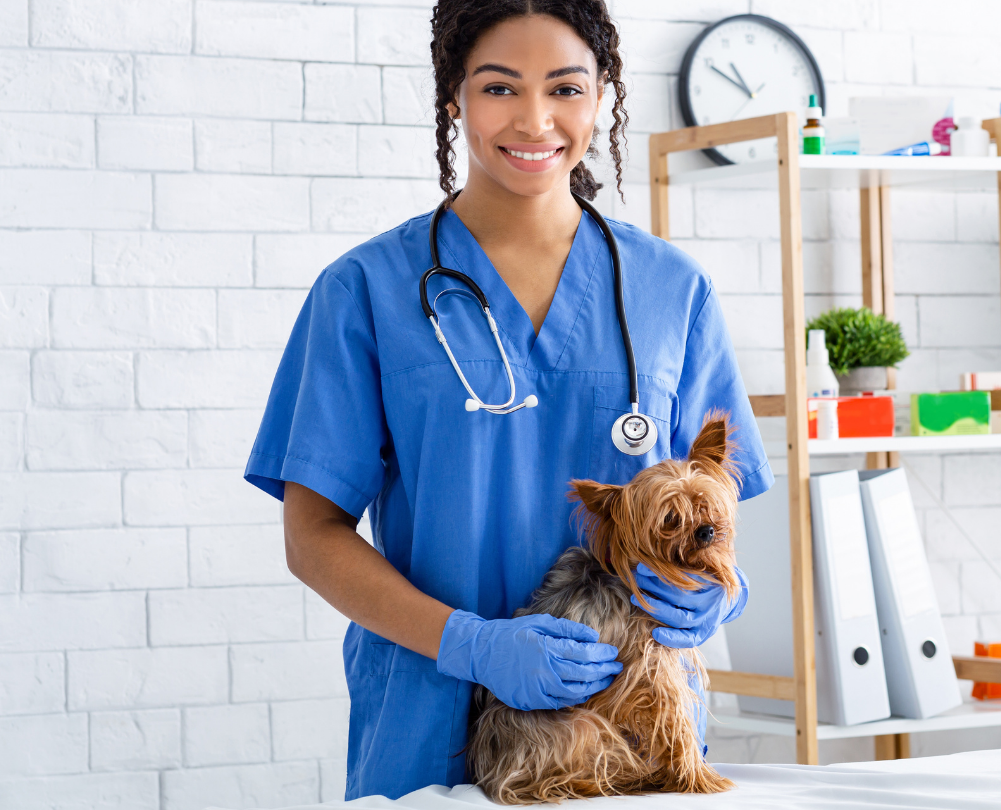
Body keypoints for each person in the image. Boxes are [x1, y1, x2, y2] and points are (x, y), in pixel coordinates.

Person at [244, 0, 772, 800]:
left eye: (565, 88)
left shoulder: (673, 291)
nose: (534, 120)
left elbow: (718, 502)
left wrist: (712, 601)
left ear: (604, 97)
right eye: (499, 88)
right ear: (452, 94)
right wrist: (473, 646)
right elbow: (312, 536)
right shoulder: (365, 291)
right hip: (432, 723)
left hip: (640, 726)